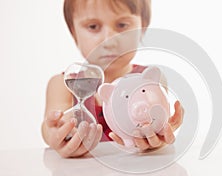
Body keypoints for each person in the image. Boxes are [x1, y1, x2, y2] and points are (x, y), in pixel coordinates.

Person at [41, 0, 184, 158]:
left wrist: (160, 135)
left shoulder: (149, 80)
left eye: (122, 25)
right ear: (73, 32)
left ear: (142, 28)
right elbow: (51, 127)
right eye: (93, 27)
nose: (109, 39)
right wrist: (54, 133)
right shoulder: (63, 85)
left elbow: (159, 124)